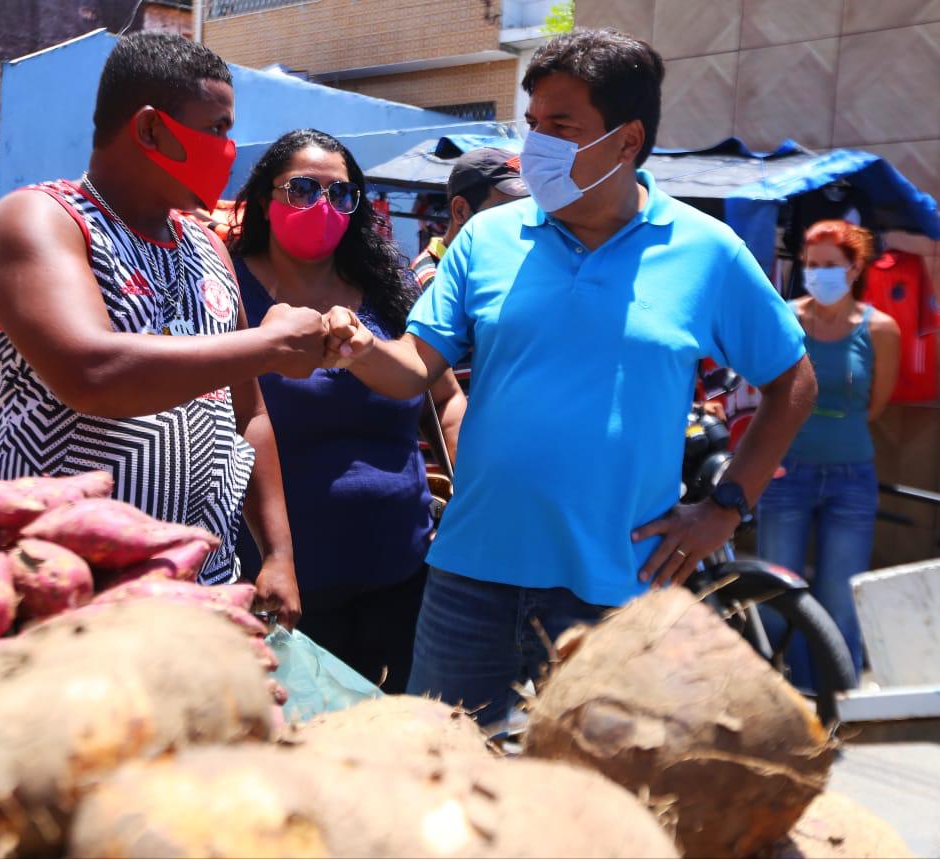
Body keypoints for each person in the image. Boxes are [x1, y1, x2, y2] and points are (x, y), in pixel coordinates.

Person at [322, 28, 818, 724]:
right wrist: (357, 346)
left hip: (618, 592)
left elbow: (793, 383)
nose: (537, 146)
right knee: (444, 776)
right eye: (533, 124)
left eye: (562, 126)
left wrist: (727, 506)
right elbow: (413, 371)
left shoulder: (708, 251)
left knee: (598, 785)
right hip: (471, 578)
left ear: (627, 140)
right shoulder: (486, 238)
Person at [0, 32, 324, 625]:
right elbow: (92, 375)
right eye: (216, 129)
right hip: (62, 592)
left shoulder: (207, 247)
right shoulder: (43, 220)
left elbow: (249, 414)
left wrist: (279, 554)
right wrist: (271, 344)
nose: (228, 149)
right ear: (151, 130)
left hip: (201, 590)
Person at [228, 129, 466, 691]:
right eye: (302, 189)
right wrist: (274, 558)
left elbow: (445, 397)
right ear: (264, 198)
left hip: (404, 574)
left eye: (340, 194)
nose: (323, 206)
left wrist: (467, 501)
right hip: (281, 583)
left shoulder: (388, 289)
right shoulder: (229, 288)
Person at [757, 220, 901, 685]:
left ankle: (836, 699)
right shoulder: (786, 317)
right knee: (776, 594)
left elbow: (876, 405)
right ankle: (782, 692)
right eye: (812, 264)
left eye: (831, 265)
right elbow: (768, 390)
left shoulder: (880, 329)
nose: (819, 274)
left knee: (840, 598)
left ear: (855, 268)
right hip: (785, 474)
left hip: (850, 477)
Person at [409, 147, 527, 292]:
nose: (519, 221)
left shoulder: (489, 268)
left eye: (523, 209)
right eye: (505, 211)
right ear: (460, 211)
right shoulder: (434, 284)